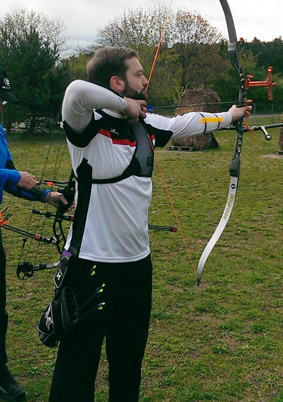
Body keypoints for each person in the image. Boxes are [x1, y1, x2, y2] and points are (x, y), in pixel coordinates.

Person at [49, 46, 251, 402]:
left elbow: (185, 123)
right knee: (76, 372)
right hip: (89, 267)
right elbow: (75, 91)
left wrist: (230, 116)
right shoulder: (85, 127)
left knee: (128, 368)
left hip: (137, 269)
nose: (146, 79)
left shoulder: (146, 126)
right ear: (117, 82)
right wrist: (122, 105)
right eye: (138, 74)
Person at [0, 66, 69, 401]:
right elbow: (8, 176)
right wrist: (8, 176)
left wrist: (47, 195)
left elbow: (11, 177)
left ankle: (0, 371)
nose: (2, 106)